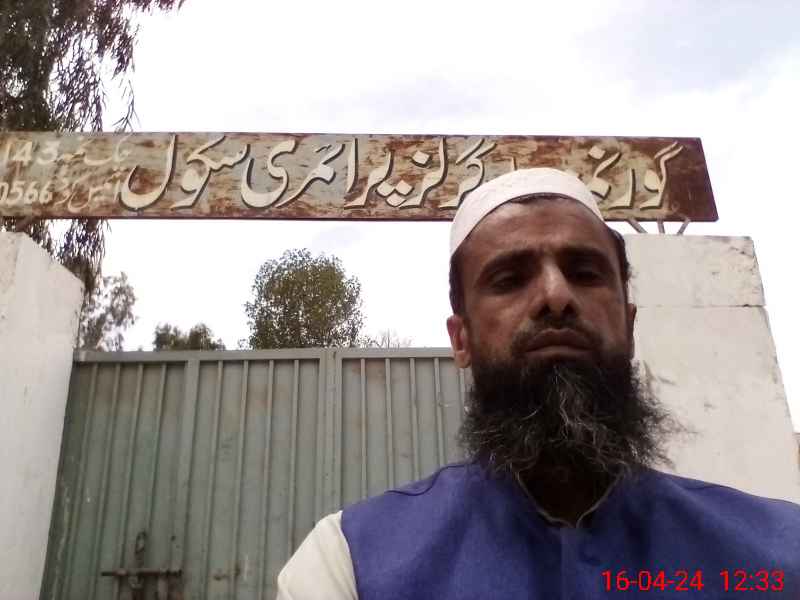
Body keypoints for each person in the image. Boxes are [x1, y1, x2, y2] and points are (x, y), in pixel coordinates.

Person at [276, 168, 800, 599]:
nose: (556, 296)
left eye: (585, 273)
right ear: (461, 340)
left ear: (629, 324)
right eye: (509, 279)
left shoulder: (779, 554)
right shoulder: (350, 563)